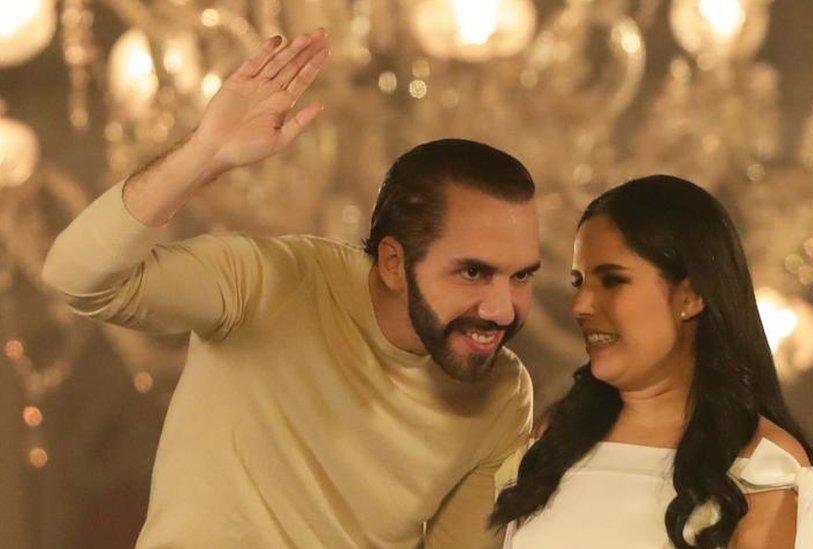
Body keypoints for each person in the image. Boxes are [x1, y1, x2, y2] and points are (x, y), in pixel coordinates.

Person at [42, 28, 540, 548]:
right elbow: (76, 278)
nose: (503, 310)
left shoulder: (504, 393)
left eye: (522, 275)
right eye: (474, 273)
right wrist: (203, 153)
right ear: (393, 262)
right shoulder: (268, 280)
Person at [491, 176, 813, 548]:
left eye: (612, 281)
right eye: (579, 283)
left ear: (690, 297)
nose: (581, 305)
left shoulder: (762, 464)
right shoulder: (558, 434)